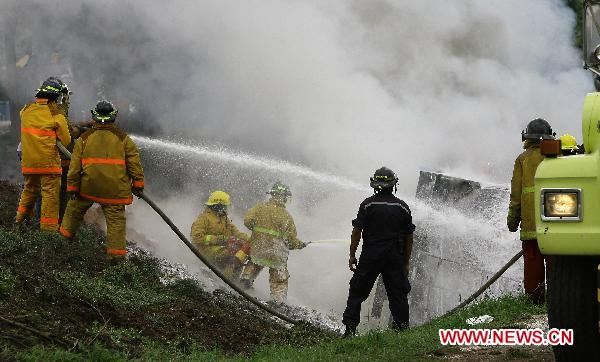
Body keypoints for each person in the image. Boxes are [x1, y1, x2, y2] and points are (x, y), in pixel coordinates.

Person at [59, 101, 144, 262]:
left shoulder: (84, 138)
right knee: (116, 223)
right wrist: (138, 185)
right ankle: (115, 259)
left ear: (94, 118)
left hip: (88, 188)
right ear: (113, 117)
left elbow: (75, 167)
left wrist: (72, 188)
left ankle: (62, 242)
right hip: (115, 192)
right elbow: (134, 164)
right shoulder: (124, 139)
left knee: (73, 211)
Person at [342, 167, 415, 337]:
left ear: (375, 185)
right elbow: (409, 238)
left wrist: (352, 255)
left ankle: (350, 331)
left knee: (357, 291)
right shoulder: (402, 207)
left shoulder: (367, 205)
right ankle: (402, 332)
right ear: (393, 185)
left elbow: (356, 232)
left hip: (370, 256)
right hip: (394, 257)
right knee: (398, 294)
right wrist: (405, 262)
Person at [15, 77, 72, 232]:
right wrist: (63, 108)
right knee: (50, 197)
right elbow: (65, 140)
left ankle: (19, 222)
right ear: (56, 98)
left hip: (29, 164)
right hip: (48, 166)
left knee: (29, 192)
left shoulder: (25, 111)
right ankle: (48, 233)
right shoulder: (57, 116)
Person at [507, 118, 554, 305]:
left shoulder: (522, 160)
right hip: (554, 225)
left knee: (533, 266)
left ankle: (535, 301)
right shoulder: (555, 157)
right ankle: (556, 298)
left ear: (527, 137)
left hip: (530, 226)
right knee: (555, 264)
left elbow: (516, 196)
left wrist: (512, 222)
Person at [239, 182, 306, 302]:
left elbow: (247, 220)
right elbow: (291, 240)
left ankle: (244, 282)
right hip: (277, 255)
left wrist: (258, 231)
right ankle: (278, 302)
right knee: (279, 279)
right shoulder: (287, 217)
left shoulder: (259, 208)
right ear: (284, 197)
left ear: (272, 195)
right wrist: (300, 245)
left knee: (254, 263)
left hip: (259, 249)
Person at [190, 191, 250, 280]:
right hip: (206, 251)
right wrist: (218, 240)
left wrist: (252, 240)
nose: (225, 208)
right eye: (224, 206)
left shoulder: (224, 219)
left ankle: (234, 280)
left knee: (242, 251)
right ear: (217, 205)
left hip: (221, 249)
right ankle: (225, 279)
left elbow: (237, 233)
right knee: (233, 250)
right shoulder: (204, 218)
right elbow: (196, 237)